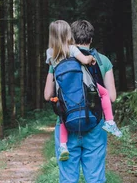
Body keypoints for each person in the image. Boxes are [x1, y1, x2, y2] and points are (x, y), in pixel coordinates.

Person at [44, 20, 118, 182]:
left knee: (68, 178)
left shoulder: (58, 58)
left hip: (67, 124)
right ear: (91, 39)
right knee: (95, 177)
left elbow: (47, 94)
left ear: (71, 38)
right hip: (95, 125)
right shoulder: (103, 60)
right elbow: (111, 97)